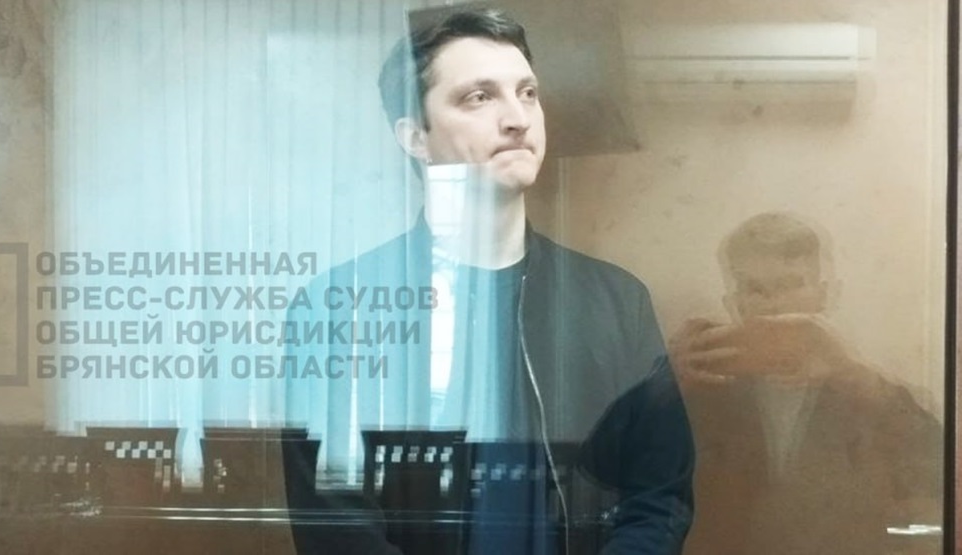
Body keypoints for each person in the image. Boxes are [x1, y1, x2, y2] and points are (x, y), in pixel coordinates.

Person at [284, 7, 693, 555]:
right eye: (479, 97)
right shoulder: (340, 306)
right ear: (415, 137)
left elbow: (659, 497)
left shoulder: (617, 300)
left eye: (527, 93)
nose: (518, 118)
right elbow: (334, 520)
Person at [670, 212, 942, 554]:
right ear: (734, 303)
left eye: (790, 284)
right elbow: (619, 479)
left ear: (825, 295)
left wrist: (850, 373)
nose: (774, 304)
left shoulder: (864, 389)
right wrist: (665, 386)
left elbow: (936, 473)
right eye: (755, 289)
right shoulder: (703, 390)